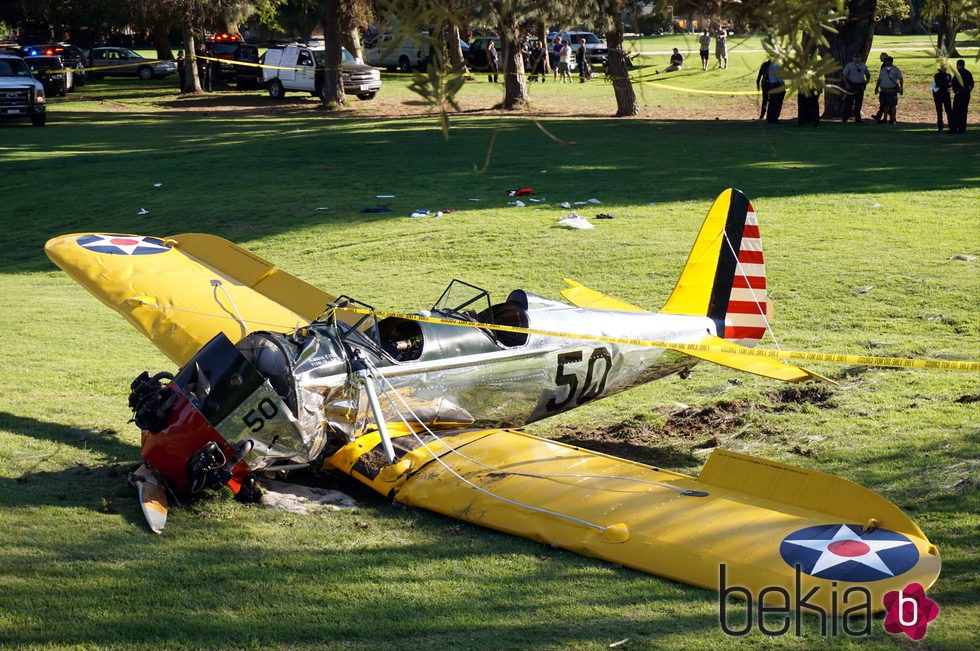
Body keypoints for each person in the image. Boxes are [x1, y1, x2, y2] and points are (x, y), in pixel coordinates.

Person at [841, 53, 871, 123]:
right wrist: (847, 84)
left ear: (860, 58)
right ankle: (845, 118)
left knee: (859, 103)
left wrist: (867, 80)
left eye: (858, 57)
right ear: (853, 58)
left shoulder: (863, 65)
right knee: (849, 103)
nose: (857, 59)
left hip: (860, 86)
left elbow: (867, 74)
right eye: (855, 57)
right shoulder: (849, 65)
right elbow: (844, 76)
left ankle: (858, 118)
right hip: (851, 86)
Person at [873, 56, 903, 124]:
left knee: (892, 106)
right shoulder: (883, 69)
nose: (886, 62)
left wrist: (901, 88)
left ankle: (893, 119)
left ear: (891, 61)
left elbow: (900, 79)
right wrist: (876, 88)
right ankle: (884, 118)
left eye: (887, 61)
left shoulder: (895, 69)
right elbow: (879, 79)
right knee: (884, 105)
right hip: (883, 90)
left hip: (891, 91)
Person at [950, 59, 974, 134]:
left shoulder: (958, 73)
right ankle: (962, 128)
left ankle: (955, 127)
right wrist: (968, 90)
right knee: (964, 111)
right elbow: (972, 84)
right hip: (966, 94)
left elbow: (953, 83)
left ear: (958, 65)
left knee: (956, 111)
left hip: (959, 94)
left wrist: (956, 91)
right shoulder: (968, 73)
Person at [932, 65, 953, 133]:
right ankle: (941, 127)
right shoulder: (937, 76)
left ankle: (950, 126)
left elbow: (950, 84)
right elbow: (942, 84)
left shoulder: (948, 75)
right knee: (940, 111)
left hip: (944, 95)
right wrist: (947, 84)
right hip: (940, 95)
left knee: (948, 111)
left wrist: (946, 84)